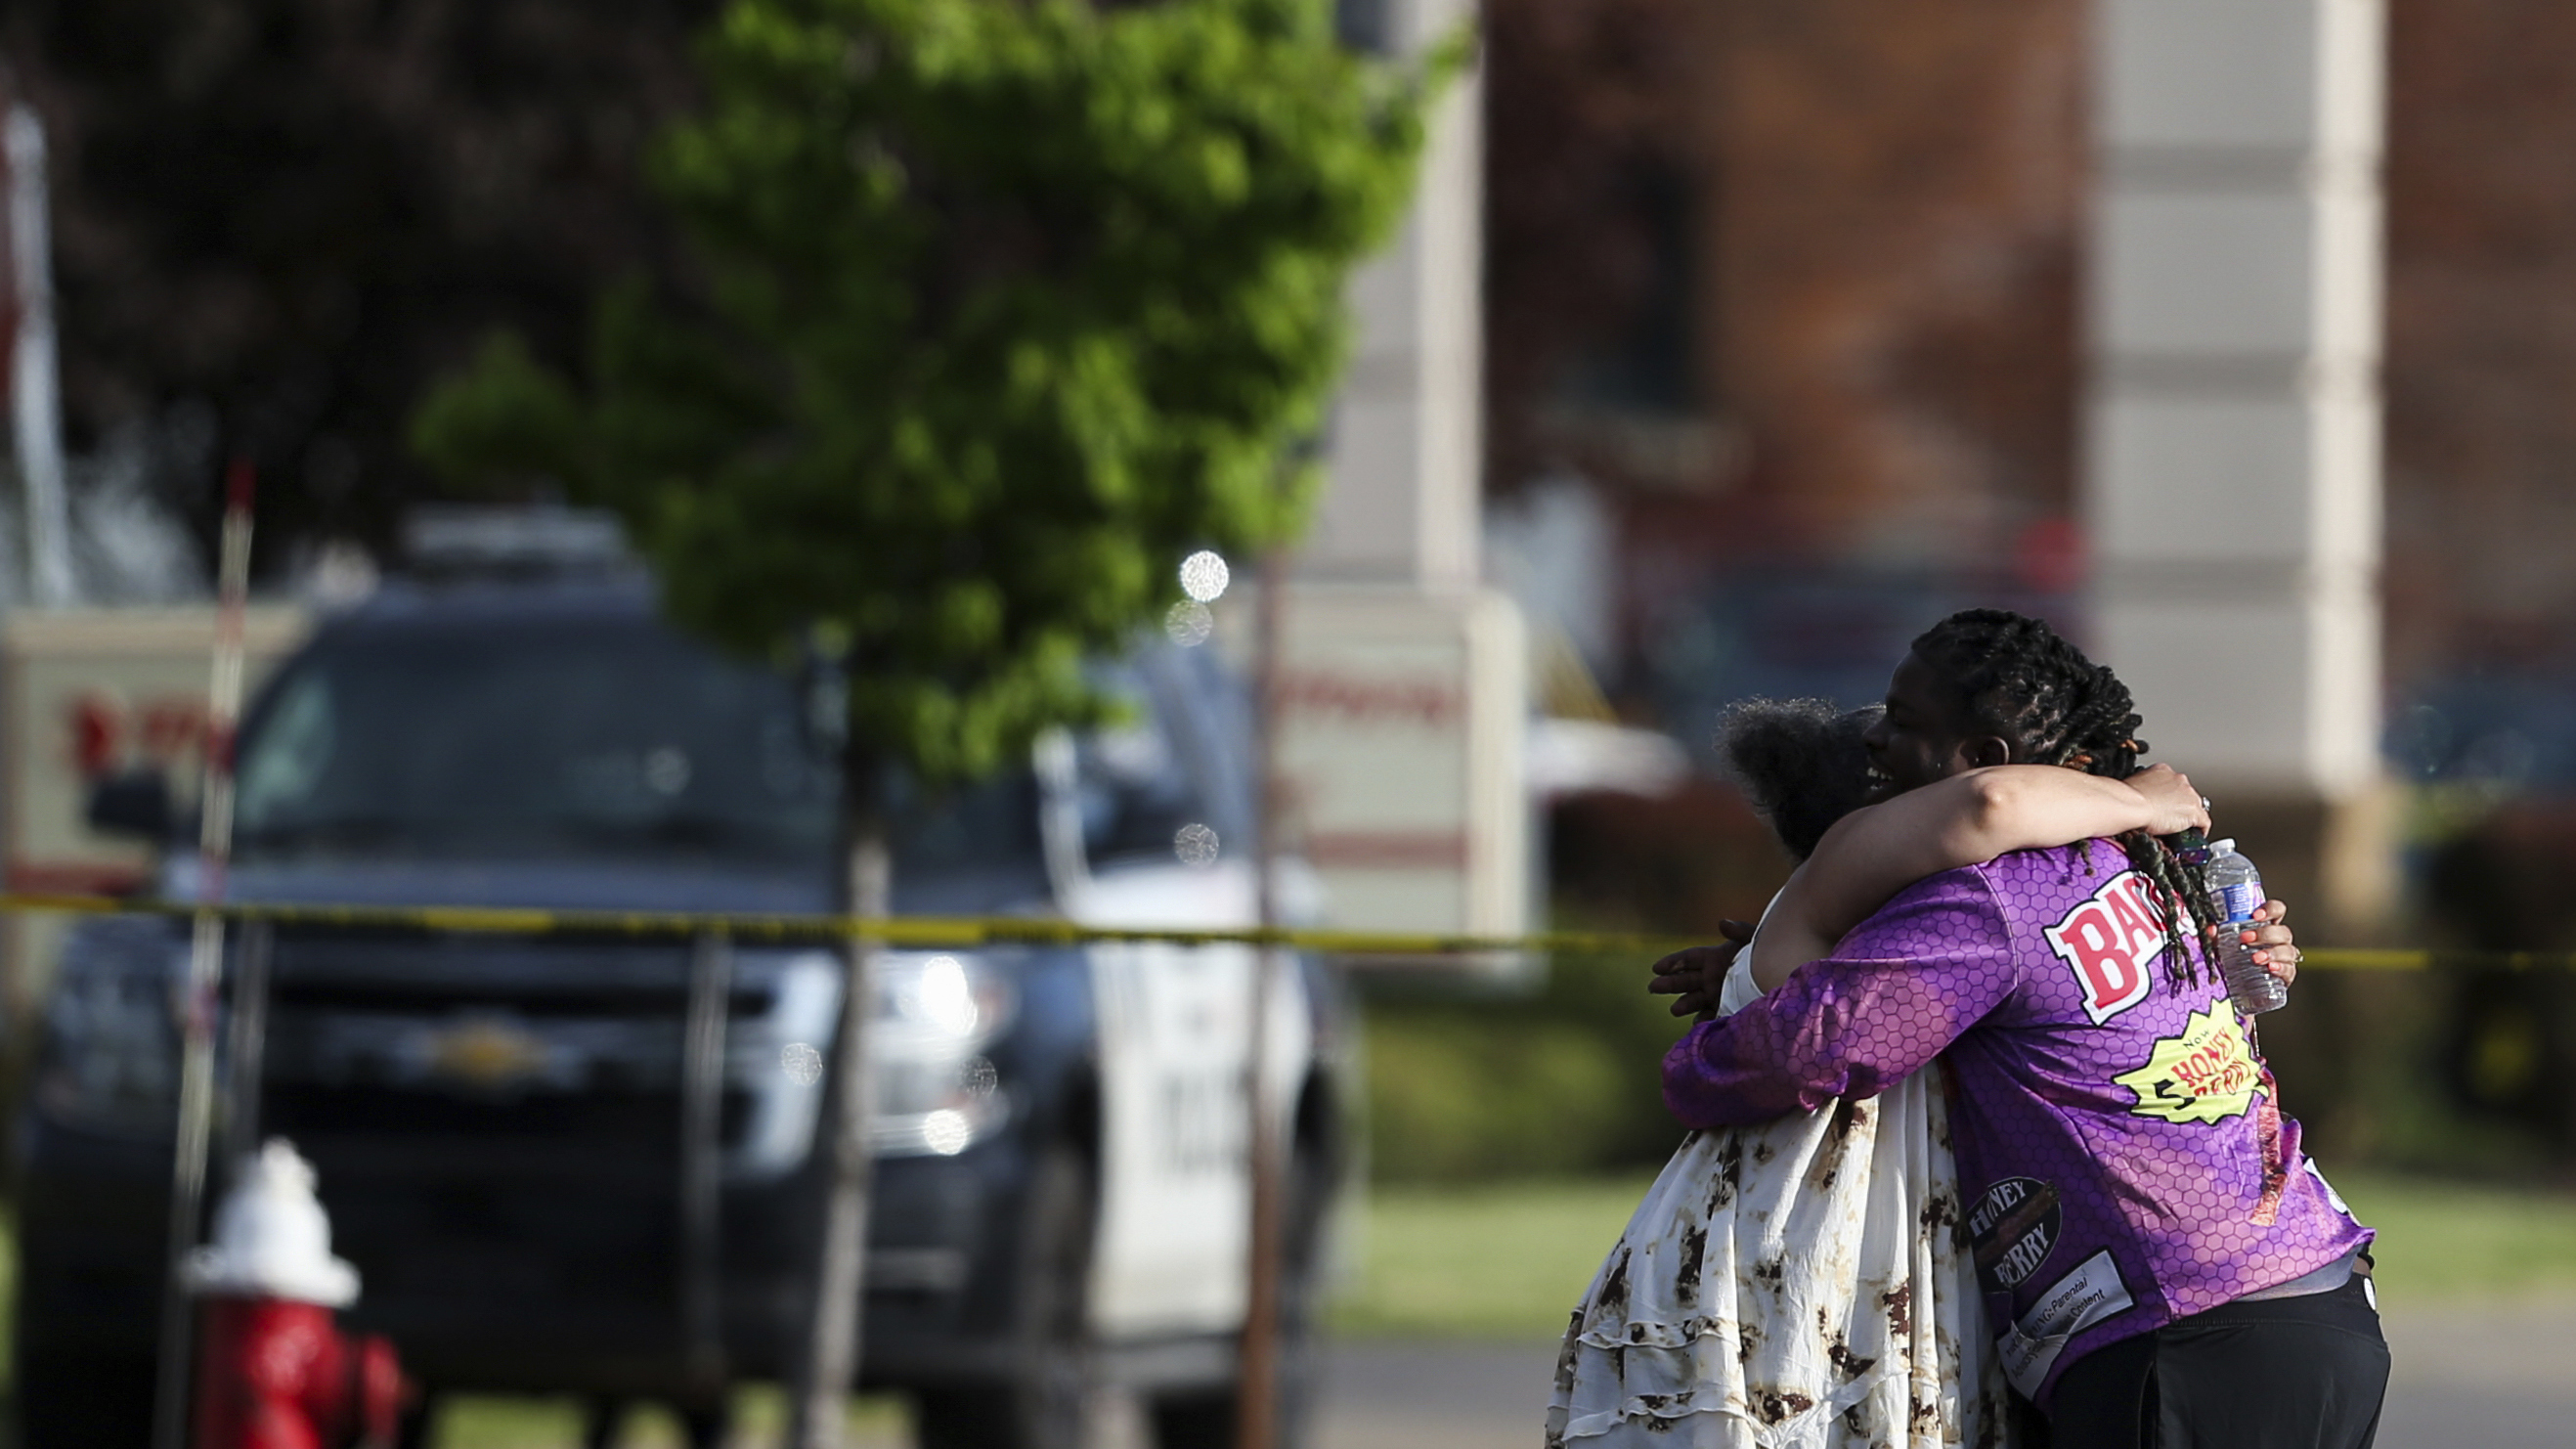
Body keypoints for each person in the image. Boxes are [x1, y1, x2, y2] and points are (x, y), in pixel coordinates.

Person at [1662, 609, 2386, 1448]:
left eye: (1902, 724)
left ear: (1979, 761)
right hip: (2319, 1301)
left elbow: (1814, 1047)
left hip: (2178, 1334)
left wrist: (1706, 1048)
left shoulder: (1992, 895)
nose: (1876, 744)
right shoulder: (2141, 859)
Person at [1547, 695, 2225, 1448]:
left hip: (1803, 1276)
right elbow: (1991, 801)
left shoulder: (1905, 952)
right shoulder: (1844, 919)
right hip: (1785, 1276)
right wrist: (2136, 800)